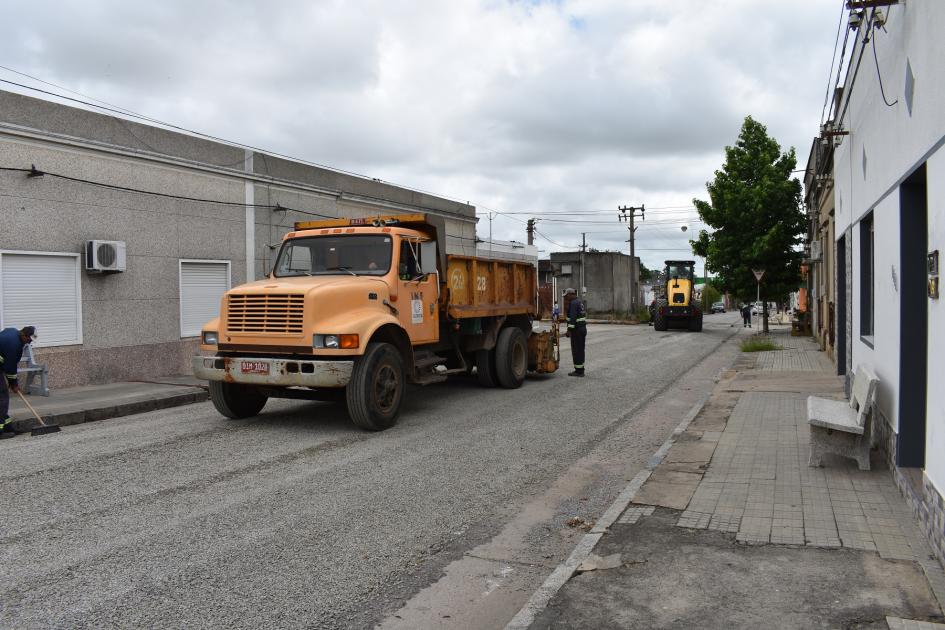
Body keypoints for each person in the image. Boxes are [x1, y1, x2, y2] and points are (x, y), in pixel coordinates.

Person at [0, 325, 36, 438]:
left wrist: (12, 383)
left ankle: (7, 426)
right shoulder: (15, 345)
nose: (29, 343)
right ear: (24, 335)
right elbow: (10, 368)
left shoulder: (13, 331)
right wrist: (14, 385)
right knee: (1, 397)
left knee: (3, 395)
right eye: (29, 340)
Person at [563, 288, 587, 377]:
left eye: (566, 296)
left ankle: (578, 371)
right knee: (580, 350)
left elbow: (572, 319)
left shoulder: (573, 303)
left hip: (577, 330)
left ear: (570, 294)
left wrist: (569, 331)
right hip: (582, 329)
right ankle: (581, 369)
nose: (566, 298)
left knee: (576, 350)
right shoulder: (579, 302)